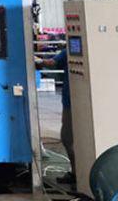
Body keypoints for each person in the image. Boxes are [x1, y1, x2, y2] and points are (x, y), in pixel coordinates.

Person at [36, 47, 75, 185]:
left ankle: (76, 173)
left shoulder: (68, 51)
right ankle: (77, 172)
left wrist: (36, 60)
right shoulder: (69, 50)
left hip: (71, 102)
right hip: (71, 101)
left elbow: (52, 63)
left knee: (68, 138)